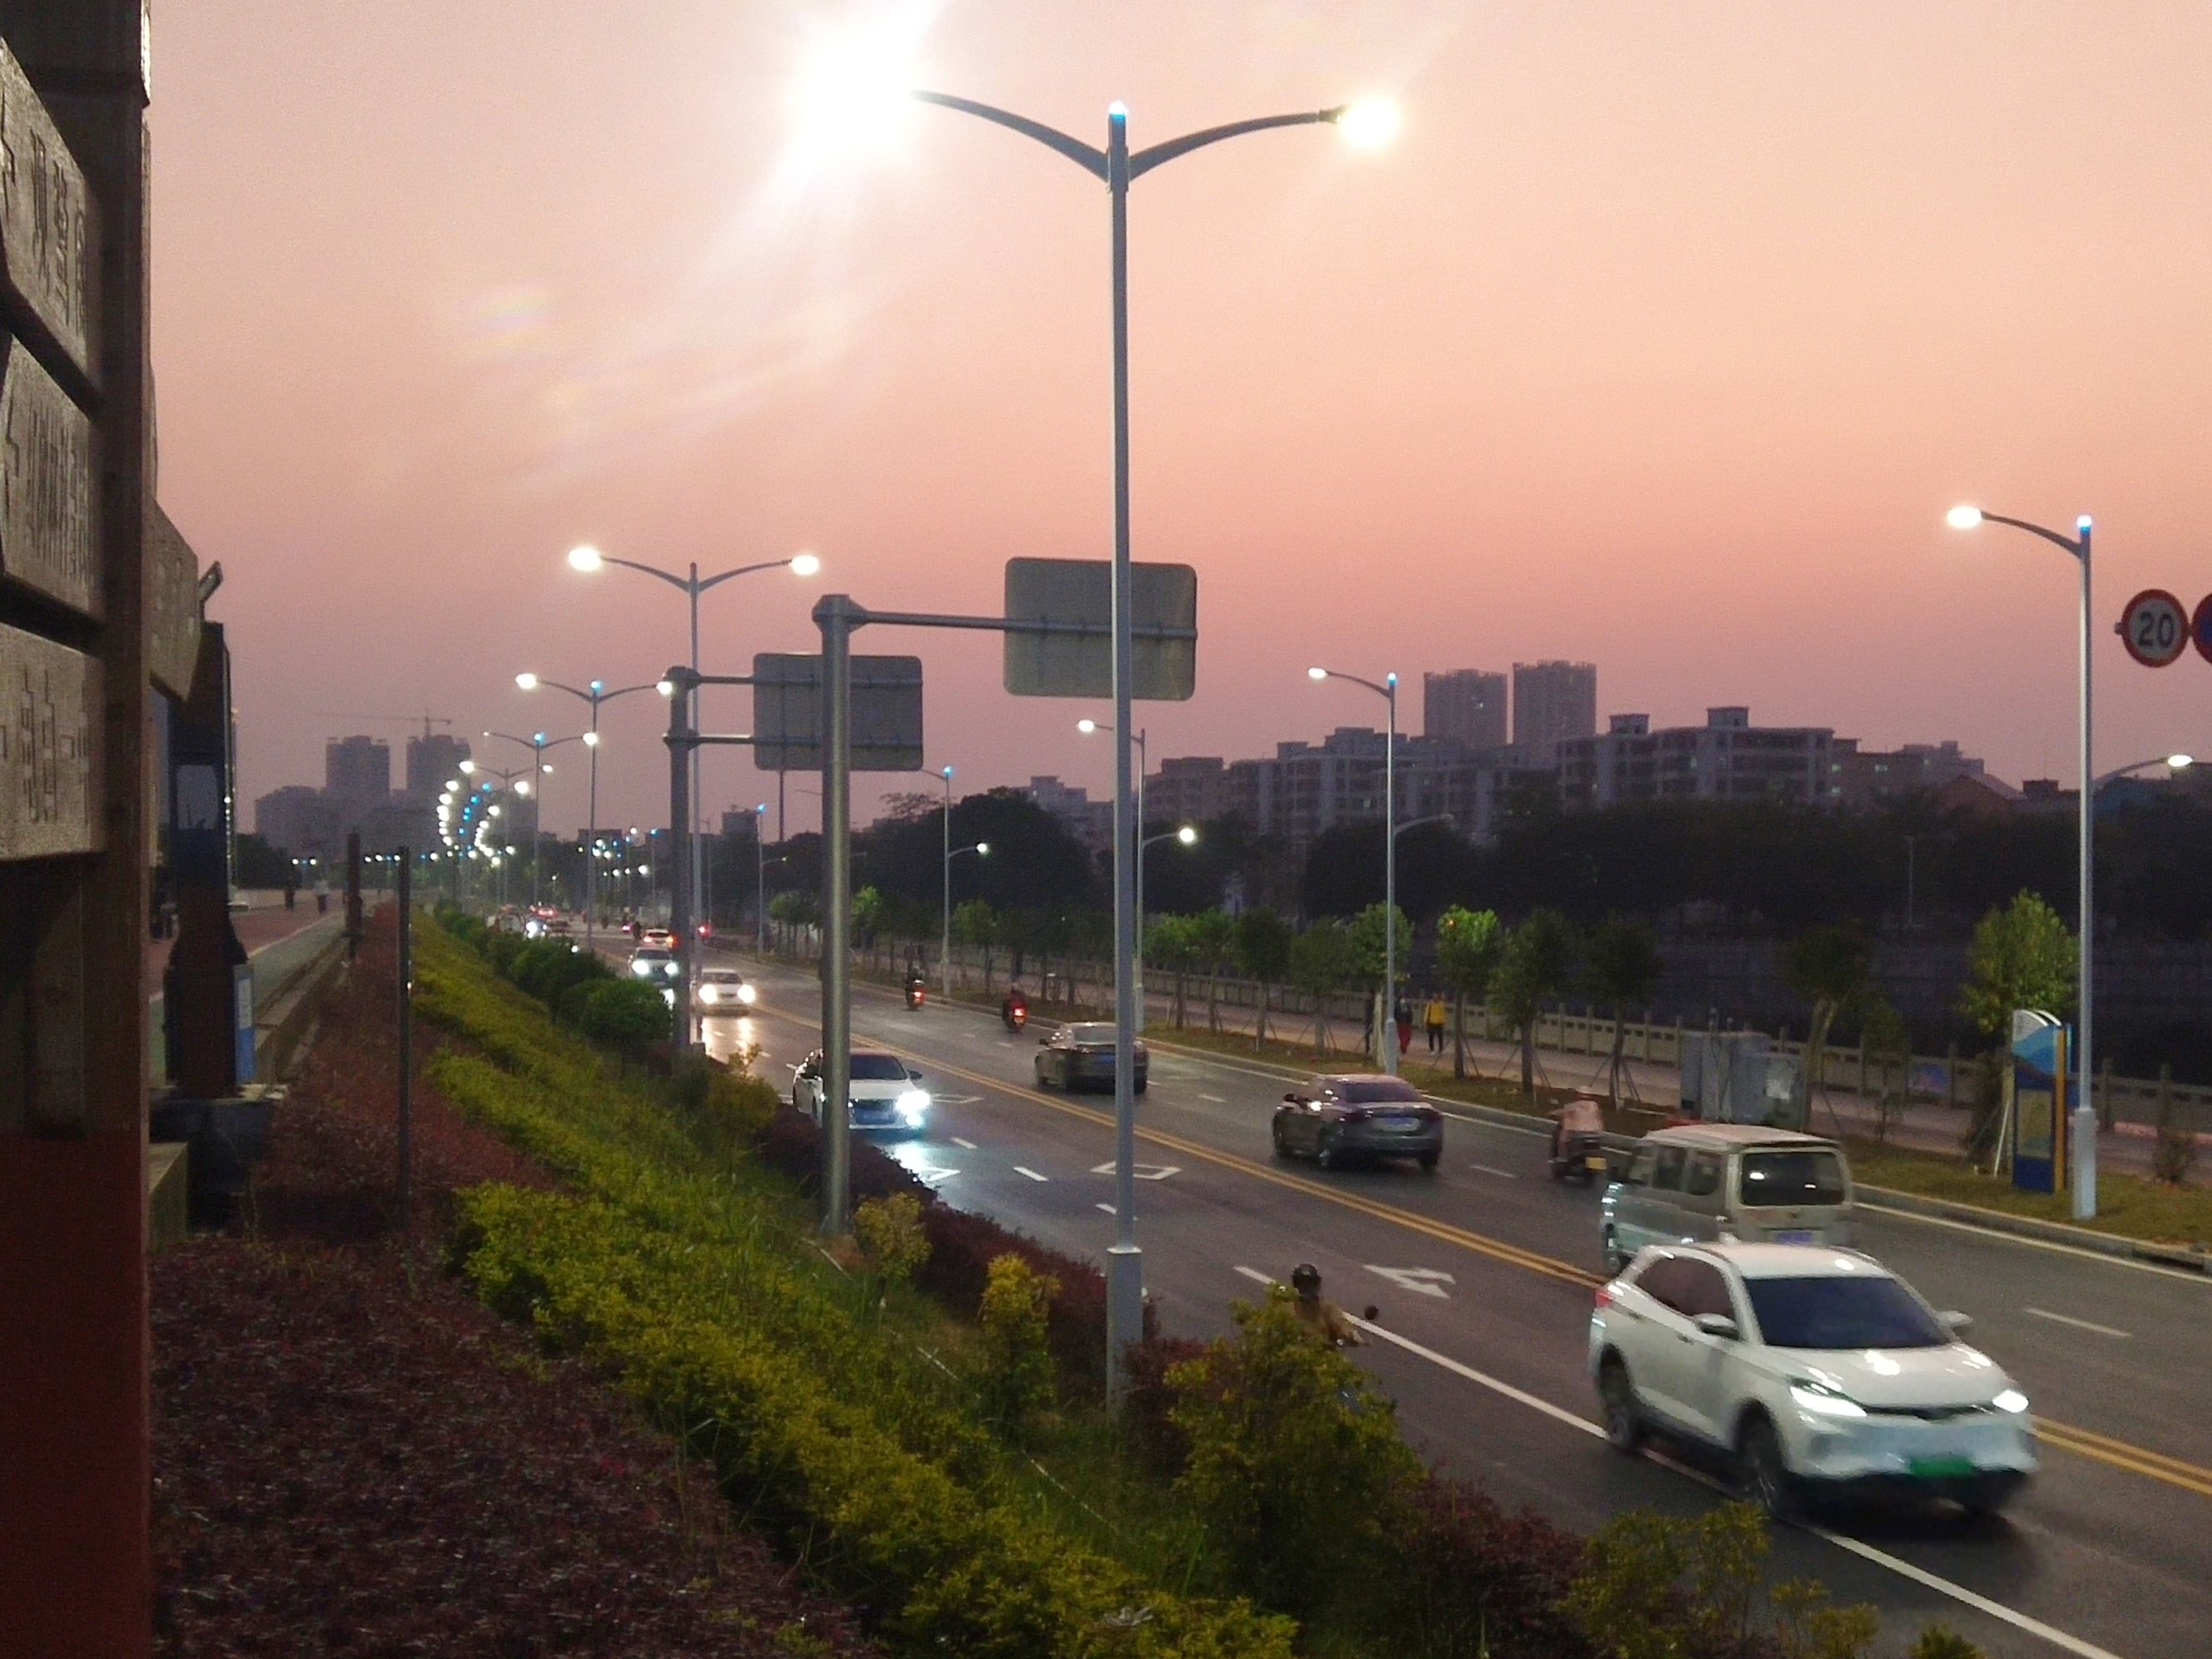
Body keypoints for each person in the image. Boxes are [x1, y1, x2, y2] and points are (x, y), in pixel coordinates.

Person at [1289, 1262, 1363, 1346]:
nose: (1307, 1288)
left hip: (1321, 1351)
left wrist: (1351, 1334)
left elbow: (1340, 1322)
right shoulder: (1288, 1306)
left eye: (1310, 1284)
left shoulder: (1326, 1307)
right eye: (1303, 1285)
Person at [1423, 991, 1447, 1057]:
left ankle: (1441, 1049)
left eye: (1437, 995)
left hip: (1439, 1023)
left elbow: (1443, 1013)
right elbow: (1427, 1013)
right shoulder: (1430, 1004)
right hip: (1431, 1022)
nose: (1436, 997)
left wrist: (1444, 1022)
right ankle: (1432, 1050)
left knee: (1440, 1037)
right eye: (1434, 995)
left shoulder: (1441, 1004)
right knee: (1431, 1037)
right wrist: (1425, 1021)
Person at [1393, 994, 1413, 1058]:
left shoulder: (1407, 1005)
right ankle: (1403, 1046)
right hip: (1401, 1022)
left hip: (1407, 1022)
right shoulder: (1397, 1005)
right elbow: (1395, 1014)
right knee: (1403, 1036)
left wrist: (1410, 1019)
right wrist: (1397, 1019)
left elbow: (1410, 1013)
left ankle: (1403, 1045)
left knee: (1407, 1036)